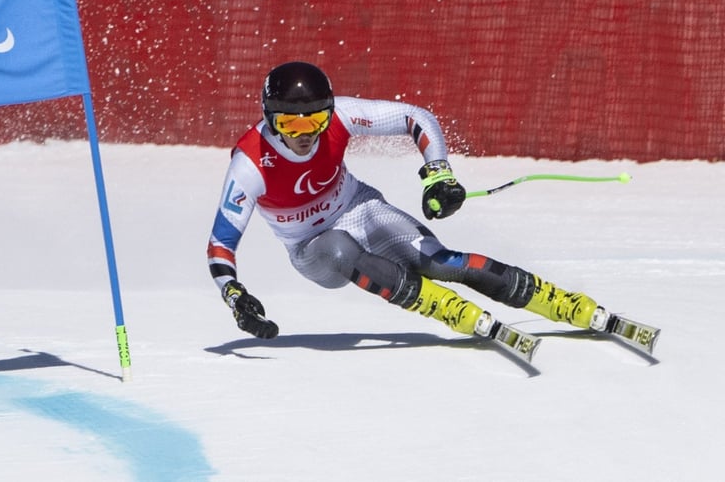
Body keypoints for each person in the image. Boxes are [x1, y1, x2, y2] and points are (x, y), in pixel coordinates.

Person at [206, 61, 611, 342]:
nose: (304, 133)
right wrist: (234, 295)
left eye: (315, 120)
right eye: (289, 123)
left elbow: (414, 117)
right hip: (312, 249)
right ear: (269, 118)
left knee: (439, 262)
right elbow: (221, 244)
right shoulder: (250, 162)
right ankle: (444, 308)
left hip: (360, 208)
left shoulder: (342, 115)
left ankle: (559, 302)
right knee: (341, 249)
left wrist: (439, 173)